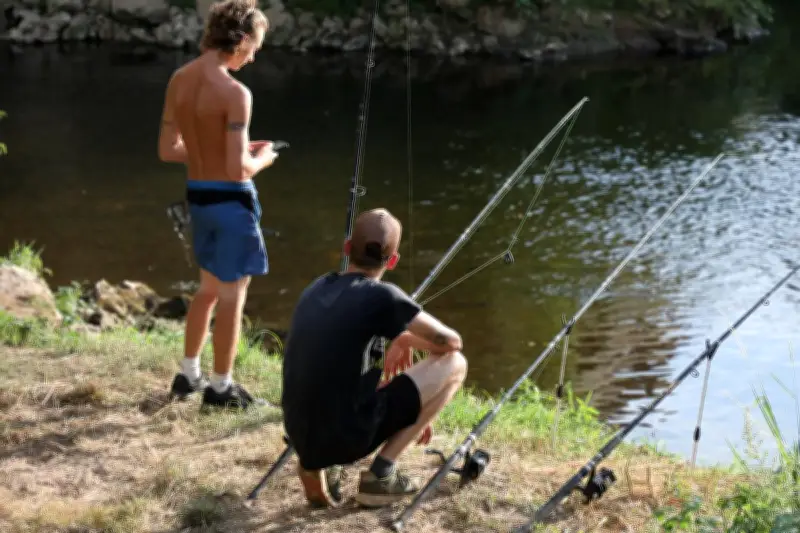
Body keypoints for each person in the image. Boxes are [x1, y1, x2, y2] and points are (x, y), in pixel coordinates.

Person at [281, 208, 469, 508]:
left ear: (346, 248)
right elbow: (451, 342)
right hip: (348, 437)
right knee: (456, 364)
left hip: (298, 431)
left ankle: (313, 464)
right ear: (392, 261)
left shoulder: (316, 287)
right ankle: (381, 475)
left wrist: (400, 336)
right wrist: (406, 337)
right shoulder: (383, 297)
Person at [157, 0, 277, 409]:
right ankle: (222, 388)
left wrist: (219, 148)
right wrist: (263, 157)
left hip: (199, 201)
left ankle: (188, 374)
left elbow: (168, 150)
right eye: (255, 46)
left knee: (207, 289)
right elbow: (238, 168)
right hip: (231, 204)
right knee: (232, 295)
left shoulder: (179, 78)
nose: (255, 54)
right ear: (241, 39)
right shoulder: (235, 93)